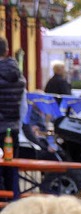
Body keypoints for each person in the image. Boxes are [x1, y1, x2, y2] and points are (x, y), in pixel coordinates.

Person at [0, 37, 26, 189]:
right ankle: (11, 207)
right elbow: (24, 107)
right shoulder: (19, 76)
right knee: (11, 169)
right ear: (7, 51)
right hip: (12, 131)